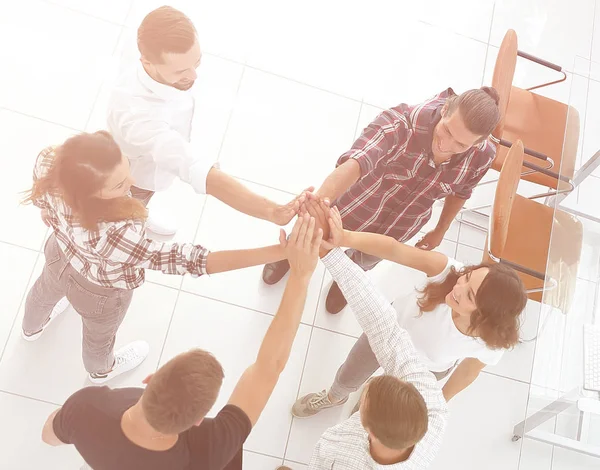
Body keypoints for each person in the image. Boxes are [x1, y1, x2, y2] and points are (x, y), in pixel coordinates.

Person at [40, 214, 323, 470]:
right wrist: (301, 276)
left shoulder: (88, 408)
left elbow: (49, 434)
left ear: (149, 379)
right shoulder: (210, 449)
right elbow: (267, 369)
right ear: (198, 421)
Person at [22, 131, 304, 384]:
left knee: (43, 291)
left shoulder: (51, 162)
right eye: (120, 185)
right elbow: (187, 259)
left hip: (58, 254)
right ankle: (101, 371)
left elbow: (42, 199)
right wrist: (279, 252)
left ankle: (31, 328)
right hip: (100, 292)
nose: (132, 182)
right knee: (98, 338)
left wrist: (50, 214)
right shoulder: (115, 234)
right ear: (92, 194)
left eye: (126, 168)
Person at [263, 85, 502, 314]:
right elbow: (356, 163)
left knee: (365, 260)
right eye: (447, 130)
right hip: (356, 204)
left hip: (401, 223)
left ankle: (346, 280)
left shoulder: (482, 156)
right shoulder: (400, 123)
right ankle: (288, 255)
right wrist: (317, 204)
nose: (446, 144)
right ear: (445, 108)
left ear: (478, 143)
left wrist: (441, 228)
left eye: (460, 144)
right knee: (312, 234)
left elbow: (461, 192)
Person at [291, 200, 528, 423]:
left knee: (384, 401)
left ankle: (367, 406)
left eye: (469, 295)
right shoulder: (447, 272)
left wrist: (439, 402)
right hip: (386, 334)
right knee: (348, 375)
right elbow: (394, 250)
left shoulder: (491, 342)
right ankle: (335, 396)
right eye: (466, 278)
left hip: (423, 369)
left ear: (485, 315)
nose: (459, 287)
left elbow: (468, 371)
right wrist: (346, 238)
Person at [107, 5, 304, 235]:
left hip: (145, 151)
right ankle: (134, 218)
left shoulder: (146, 38)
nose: (193, 76)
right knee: (129, 205)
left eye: (196, 62)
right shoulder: (139, 117)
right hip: (136, 175)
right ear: (147, 62)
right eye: (181, 71)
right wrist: (271, 211)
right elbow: (194, 168)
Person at [297, 217, 448, 469]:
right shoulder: (432, 408)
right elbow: (383, 326)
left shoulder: (345, 461)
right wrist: (331, 254)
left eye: (364, 397)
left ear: (368, 428)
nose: (364, 384)